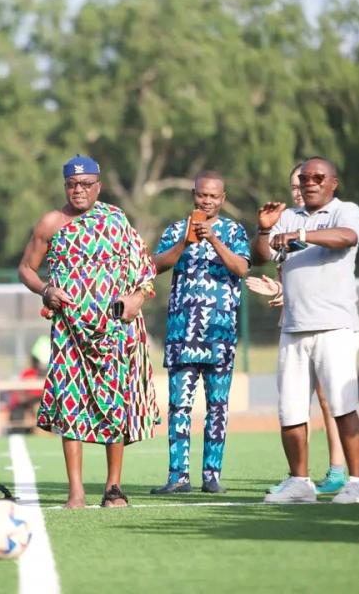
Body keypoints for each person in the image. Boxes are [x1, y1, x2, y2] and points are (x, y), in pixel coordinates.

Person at [17, 154, 159, 508]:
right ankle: (76, 491)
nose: (78, 191)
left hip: (115, 329)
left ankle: (113, 488)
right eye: (71, 184)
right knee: (71, 405)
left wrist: (137, 297)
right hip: (70, 333)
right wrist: (47, 290)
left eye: (85, 185)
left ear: (99, 186)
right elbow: (26, 270)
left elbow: (144, 267)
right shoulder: (51, 222)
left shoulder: (116, 219)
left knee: (116, 403)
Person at [251, 156, 359, 504]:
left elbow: (347, 237)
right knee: (290, 410)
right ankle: (300, 482)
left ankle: (358, 482)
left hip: (335, 325)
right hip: (293, 327)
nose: (310, 183)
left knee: (342, 406)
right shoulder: (286, 216)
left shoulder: (345, 210)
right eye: (304, 178)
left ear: (334, 182)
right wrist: (263, 229)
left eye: (319, 177)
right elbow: (259, 256)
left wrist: (301, 235)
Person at [148, 171, 249, 495]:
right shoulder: (176, 229)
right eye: (202, 195)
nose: (207, 201)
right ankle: (178, 477)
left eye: (214, 196)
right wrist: (185, 241)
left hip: (220, 334)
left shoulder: (234, 231)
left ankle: (211, 475)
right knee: (179, 406)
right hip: (182, 332)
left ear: (223, 197)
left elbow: (243, 269)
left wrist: (214, 239)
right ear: (193, 194)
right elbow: (155, 265)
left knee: (217, 406)